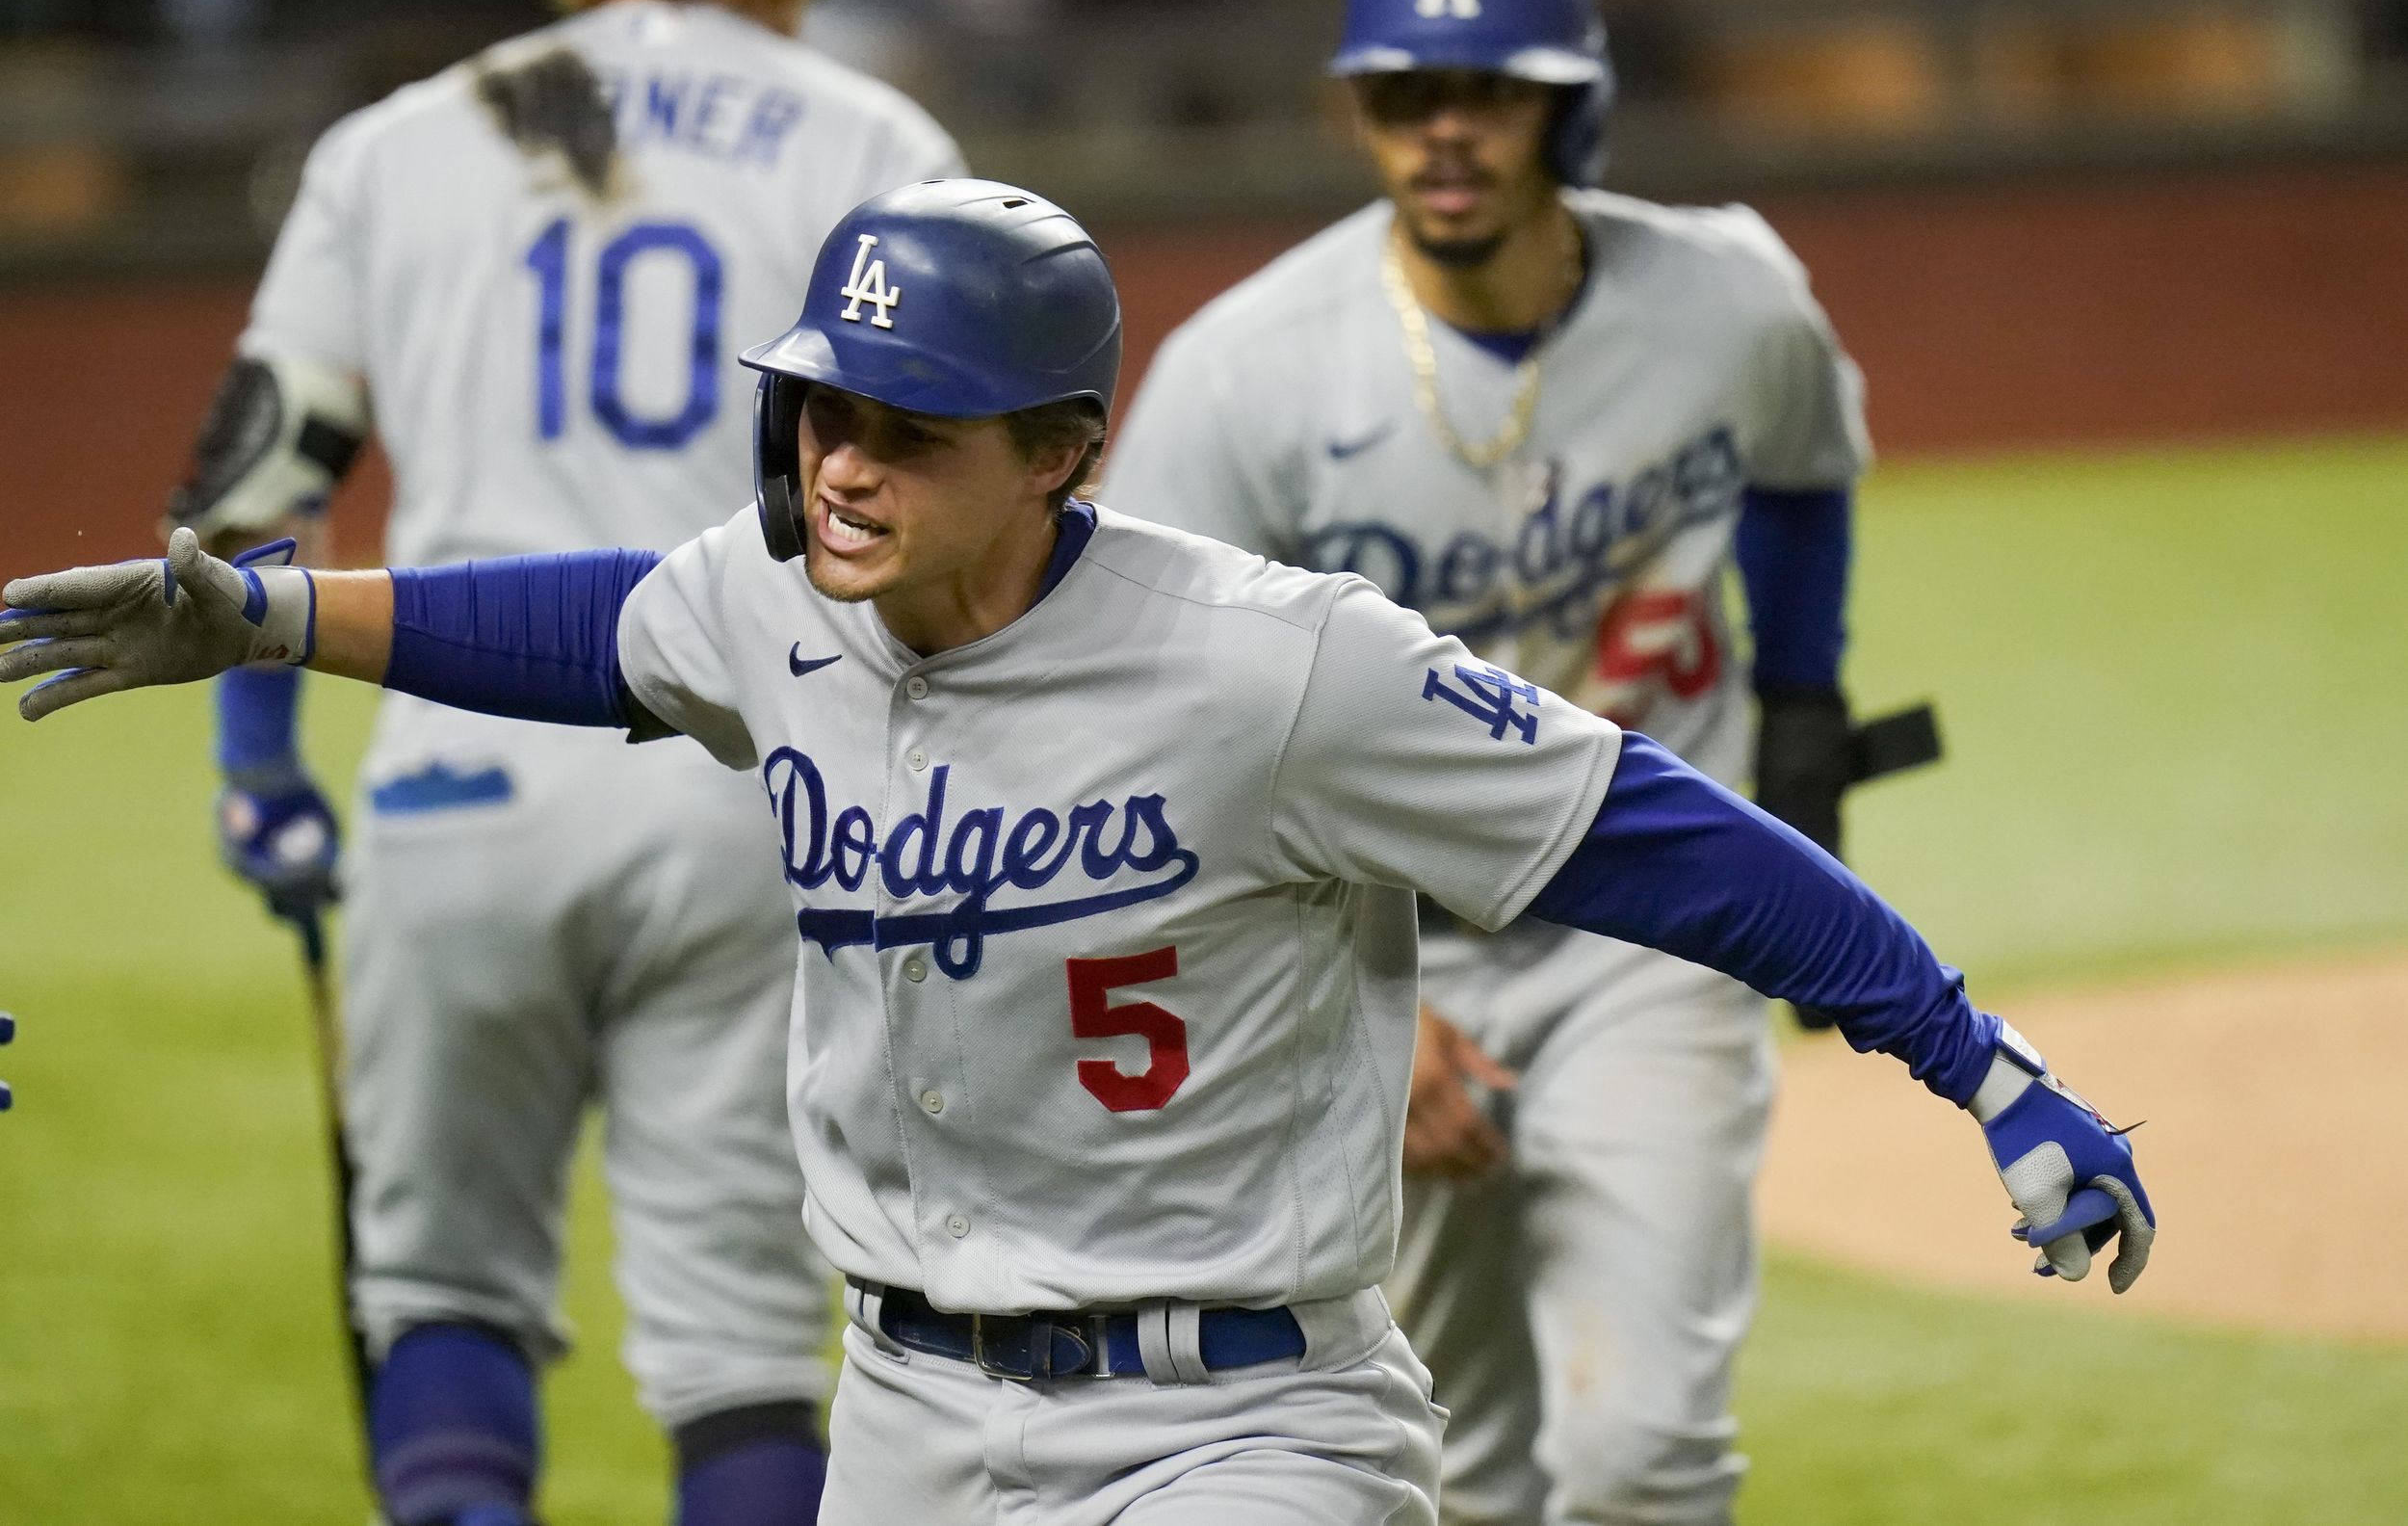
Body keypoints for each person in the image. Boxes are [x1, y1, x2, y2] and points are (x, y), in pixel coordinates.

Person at [0, 176, 2155, 1526]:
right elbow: (586, 624)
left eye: (904, 428)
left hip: (1248, 1430)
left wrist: (1979, 1065)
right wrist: (270, 614)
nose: (838, 463)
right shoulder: (774, 600)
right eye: (818, 412)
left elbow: (1655, 835)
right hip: (912, 1415)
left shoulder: (1278, 669)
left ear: (1056, 453)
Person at [159, 0, 960, 1524]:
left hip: (451, 772)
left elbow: (256, 479)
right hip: (750, 783)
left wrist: (254, 773)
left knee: (439, 1288)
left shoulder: (395, 144)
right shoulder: (875, 138)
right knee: (745, 1339)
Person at [1101, 0, 1885, 1522]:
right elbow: (1154, 726)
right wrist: (1334, 1010)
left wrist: (1802, 699)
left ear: (1565, 106)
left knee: (1642, 1450)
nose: (1442, 128)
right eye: (1401, 92)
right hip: (1379, 951)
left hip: (1645, 939)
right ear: (1358, 110)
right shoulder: (1247, 373)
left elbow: (1806, 477)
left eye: (1488, 89)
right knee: (1451, 1473)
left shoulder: (1728, 300)